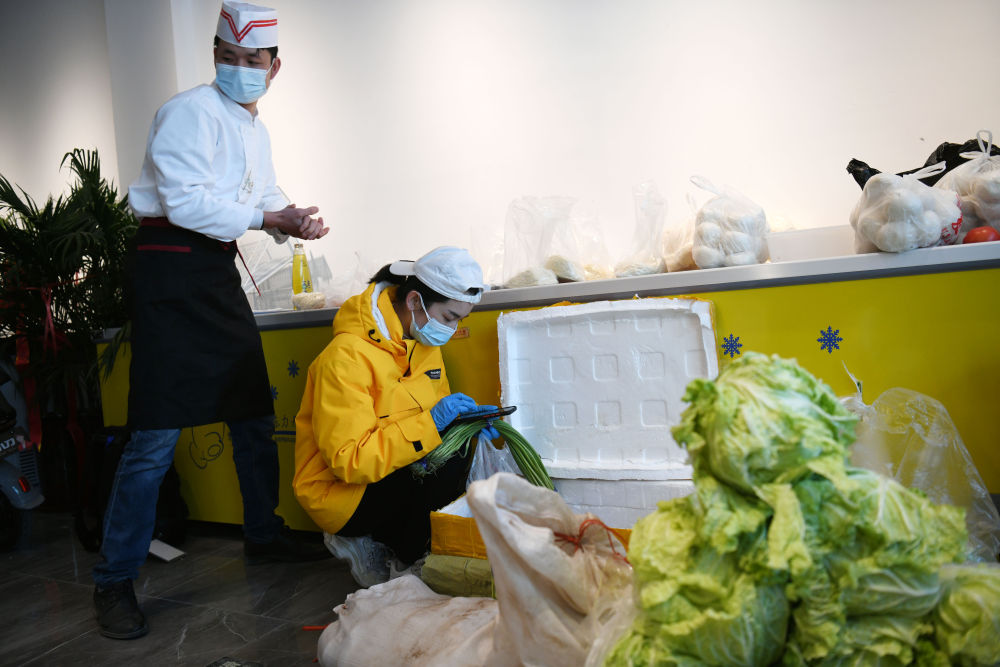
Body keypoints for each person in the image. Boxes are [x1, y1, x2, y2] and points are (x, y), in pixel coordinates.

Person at [92, 2, 331, 640]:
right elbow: (185, 202)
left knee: (252, 414)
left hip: (215, 273)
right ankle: (113, 580)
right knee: (153, 437)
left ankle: (264, 535)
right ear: (215, 58)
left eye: (253, 60)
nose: (239, 68)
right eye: (228, 57)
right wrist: (267, 219)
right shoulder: (187, 112)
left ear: (275, 68)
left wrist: (294, 219)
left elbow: (264, 195)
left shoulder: (256, 130)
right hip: (169, 272)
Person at [293, 246, 498, 588]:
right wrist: (432, 424)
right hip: (341, 492)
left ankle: (398, 546)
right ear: (415, 301)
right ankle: (391, 551)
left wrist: (464, 425)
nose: (452, 329)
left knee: (460, 448)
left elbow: (434, 423)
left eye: (459, 320)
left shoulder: (424, 345)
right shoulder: (345, 358)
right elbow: (350, 462)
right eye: (449, 317)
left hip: (391, 474)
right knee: (445, 463)